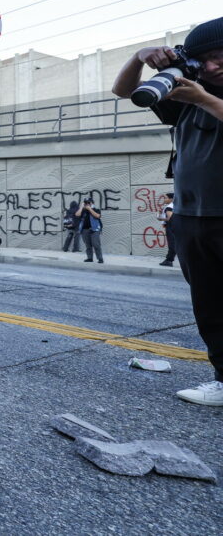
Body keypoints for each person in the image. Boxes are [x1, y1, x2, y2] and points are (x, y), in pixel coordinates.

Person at [112, 23, 223, 405]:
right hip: (192, 216)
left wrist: (203, 99)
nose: (218, 65)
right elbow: (124, 91)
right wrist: (139, 56)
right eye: (211, 58)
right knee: (209, 305)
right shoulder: (185, 94)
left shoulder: (199, 97)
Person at [75, 197, 103, 264]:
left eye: (88, 202)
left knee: (96, 244)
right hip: (85, 230)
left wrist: (90, 209)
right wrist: (81, 207)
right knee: (88, 245)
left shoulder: (96, 209)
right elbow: (77, 214)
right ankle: (90, 258)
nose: (87, 204)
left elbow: (97, 216)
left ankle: (100, 258)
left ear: (92, 203)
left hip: (95, 230)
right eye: (86, 203)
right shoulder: (83, 211)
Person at [158, 192, 176, 267]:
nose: (164, 199)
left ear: (171, 199)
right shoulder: (175, 206)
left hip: (171, 227)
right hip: (175, 227)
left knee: (172, 244)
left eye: (165, 198)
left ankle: (169, 260)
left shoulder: (169, 207)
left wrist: (160, 218)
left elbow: (170, 218)